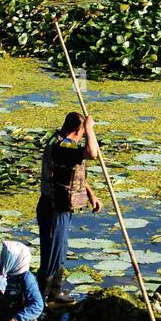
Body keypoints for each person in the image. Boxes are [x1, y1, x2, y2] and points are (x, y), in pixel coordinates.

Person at [37, 111, 102, 305]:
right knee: (52, 253)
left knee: (60, 250)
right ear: (77, 130)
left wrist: (90, 193)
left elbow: (71, 171)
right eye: (82, 132)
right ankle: (42, 297)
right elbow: (92, 153)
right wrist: (89, 128)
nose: (84, 136)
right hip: (54, 208)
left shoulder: (61, 142)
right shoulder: (62, 147)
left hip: (61, 208)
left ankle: (55, 290)